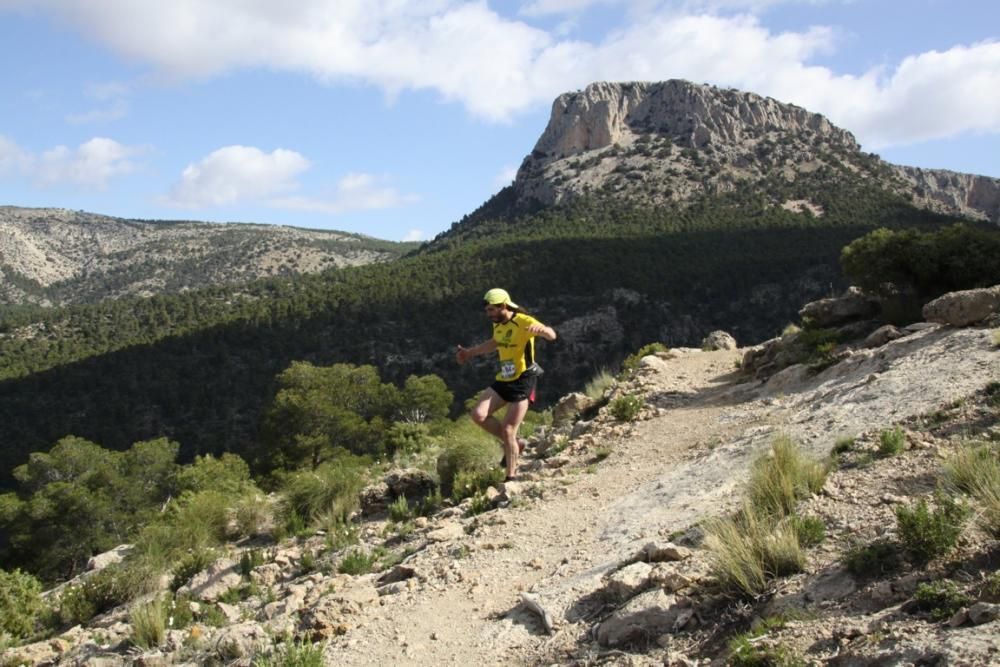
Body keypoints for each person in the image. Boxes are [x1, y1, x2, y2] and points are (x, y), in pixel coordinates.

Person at [456, 288, 557, 482]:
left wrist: (543, 332)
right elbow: (495, 342)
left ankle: (510, 477)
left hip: (524, 379)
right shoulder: (498, 324)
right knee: (478, 415)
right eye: (487, 311)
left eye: (492, 310)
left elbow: (552, 334)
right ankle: (515, 444)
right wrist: (470, 353)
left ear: (503, 306)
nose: (489, 314)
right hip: (504, 378)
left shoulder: (523, 321)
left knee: (508, 429)